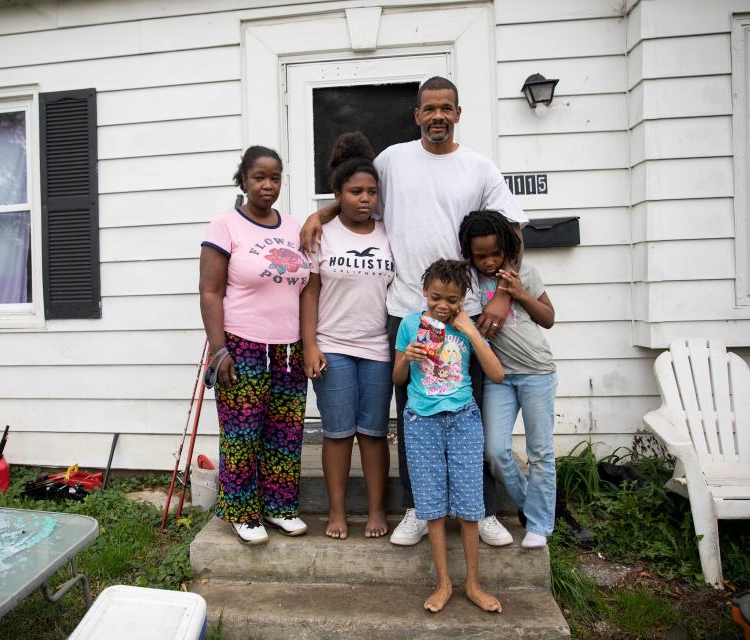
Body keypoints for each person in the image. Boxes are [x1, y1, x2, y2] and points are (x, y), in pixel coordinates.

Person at [301, 76, 528, 547]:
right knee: (413, 418)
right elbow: (353, 192)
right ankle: (417, 509)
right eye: (430, 109)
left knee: (470, 414)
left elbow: (512, 232)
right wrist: (318, 215)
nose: (438, 116)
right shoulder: (392, 160)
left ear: (458, 113)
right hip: (405, 309)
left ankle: (481, 509)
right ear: (417, 115)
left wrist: (504, 295)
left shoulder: (479, 168)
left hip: (463, 315)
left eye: (447, 108)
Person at [199, 146, 310, 545]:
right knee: (242, 433)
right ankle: (243, 512)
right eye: (259, 177)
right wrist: (219, 349)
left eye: (275, 177)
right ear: (243, 179)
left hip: (289, 350)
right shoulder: (226, 226)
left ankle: (280, 506)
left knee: (285, 430)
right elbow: (210, 291)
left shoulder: (293, 226)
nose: (268, 185)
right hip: (242, 345)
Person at [392, 259, 504, 614]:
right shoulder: (410, 325)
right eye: (436, 297)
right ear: (424, 293)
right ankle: (444, 583)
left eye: (452, 299)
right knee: (432, 506)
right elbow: (396, 379)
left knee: (471, 505)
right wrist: (406, 359)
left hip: (463, 420)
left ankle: (473, 584)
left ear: (463, 298)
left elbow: (497, 375)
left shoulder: (468, 326)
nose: (443, 305)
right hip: (421, 421)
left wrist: (470, 331)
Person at [300, 132, 394, 539]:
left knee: (373, 434)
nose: (365, 199)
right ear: (337, 194)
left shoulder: (390, 232)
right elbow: (310, 291)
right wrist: (309, 344)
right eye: (355, 191)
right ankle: (336, 513)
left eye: (371, 191)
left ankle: (376, 512)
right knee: (338, 434)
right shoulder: (322, 234)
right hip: (332, 347)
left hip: (378, 348)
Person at [459, 210, 557, 549]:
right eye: (480, 256)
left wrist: (521, 293)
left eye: (495, 254)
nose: (488, 261)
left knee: (540, 451)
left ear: (506, 250)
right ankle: (535, 505)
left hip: (535, 372)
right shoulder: (468, 281)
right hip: (498, 377)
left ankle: (539, 525)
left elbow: (549, 319)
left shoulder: (524, 273)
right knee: (496, 451)